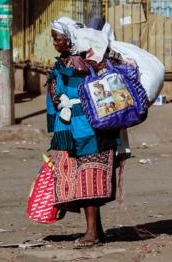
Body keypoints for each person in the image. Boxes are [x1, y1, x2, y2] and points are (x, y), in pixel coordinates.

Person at [46, 17, 120, 248]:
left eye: (58, 39)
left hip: (88, 129)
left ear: (71, 39)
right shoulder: (69, 62)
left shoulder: (83, 63)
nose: (55, 44)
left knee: (90, 179)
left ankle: (92, 234)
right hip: (73, 128)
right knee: (83, 179)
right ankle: (96, 231)